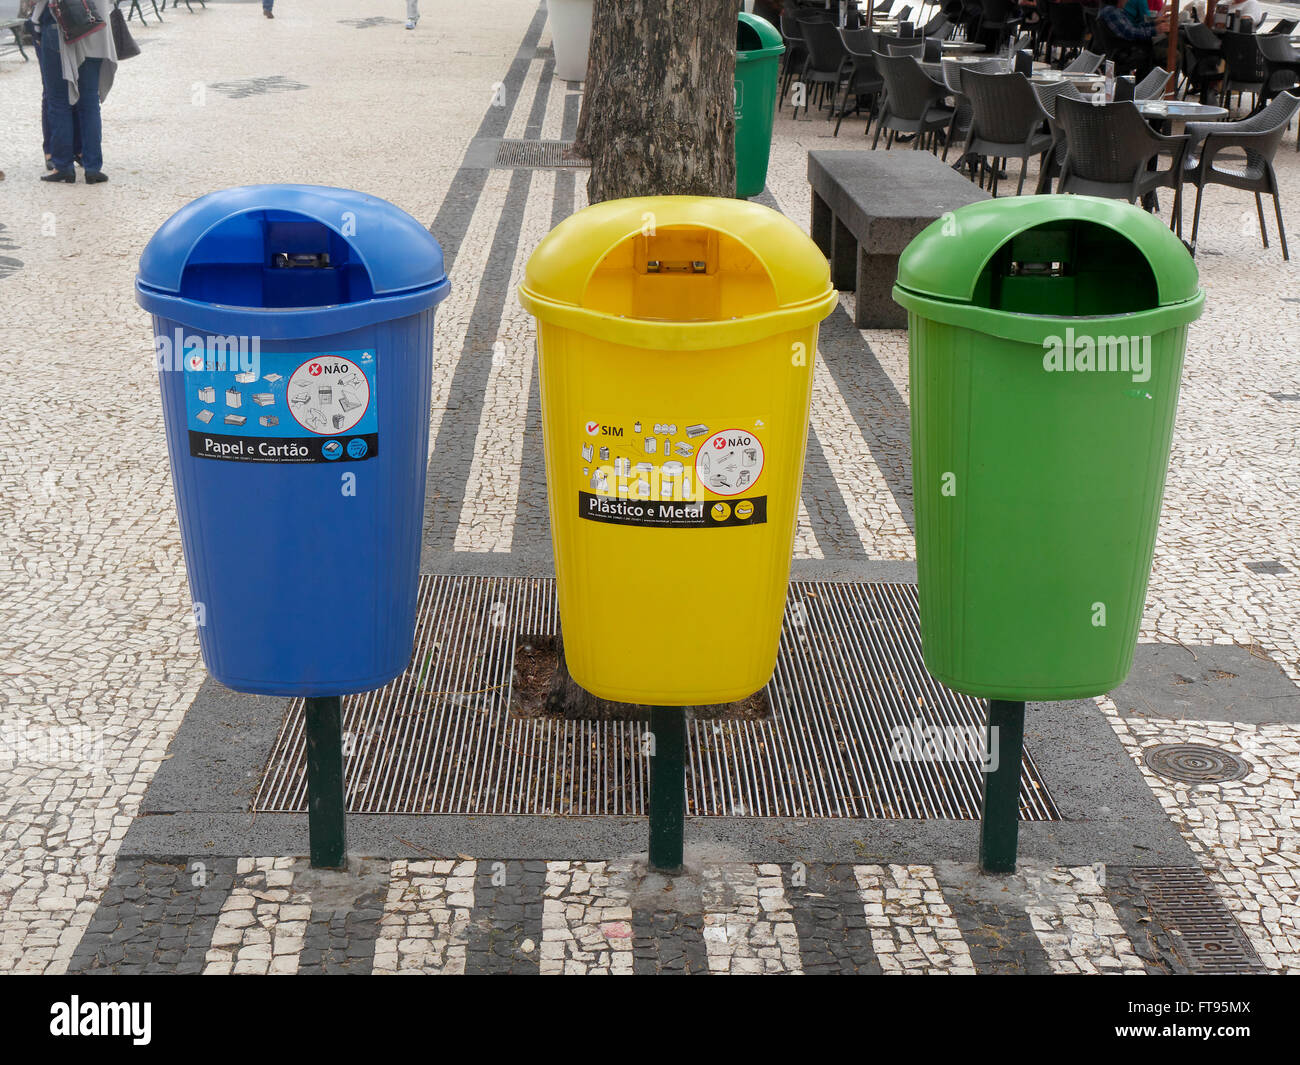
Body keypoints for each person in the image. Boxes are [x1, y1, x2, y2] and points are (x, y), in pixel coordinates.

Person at [33, 0, 117, 184]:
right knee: (89, 103)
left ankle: (63, 166)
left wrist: (34, 22)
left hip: (60, 29)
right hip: (95, 30)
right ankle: (93, 167)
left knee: (59, 101)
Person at [1098, 0, 1167, 77]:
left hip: (1126, 50)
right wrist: (1156, 30)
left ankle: (1143, 81)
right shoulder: (1111, 12)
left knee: (1164, 49)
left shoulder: (1114, 10)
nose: (1126, 1)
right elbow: (1130, 32)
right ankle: (1145, 84)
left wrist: (1154, 23)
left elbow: (1133, 27)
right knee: (1170, 56)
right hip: (1126, 53)